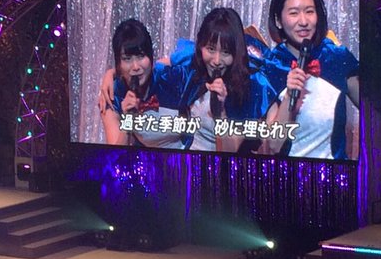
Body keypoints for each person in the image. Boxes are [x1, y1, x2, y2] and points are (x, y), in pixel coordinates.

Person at [101, 9, 276, 153]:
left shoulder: (247, 88)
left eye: (225, 52)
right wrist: (113, 74)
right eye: (211, 49)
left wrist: (220, 112)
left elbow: (229, 153)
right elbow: (155, 64)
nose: (216, 60)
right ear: (201, 47)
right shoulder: (193, 70)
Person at [263, 0, 359, 158]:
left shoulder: (337, 57)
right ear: (278, 20)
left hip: (335, 171)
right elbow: (275, 145)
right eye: (293, 13)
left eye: (309, 11)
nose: (303, 21)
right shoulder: (271, 67)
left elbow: (375, 112)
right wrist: (289, 95)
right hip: (288, 172)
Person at [100, 18, 183, 148]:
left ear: (150, 57)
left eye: (141, 56)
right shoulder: (112, 96)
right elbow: (116, 154)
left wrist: (111, 72)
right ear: (118, 63)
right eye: (127, 59)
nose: (135, 67)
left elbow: (195, 54)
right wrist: (127, 120)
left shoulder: (166, 76)